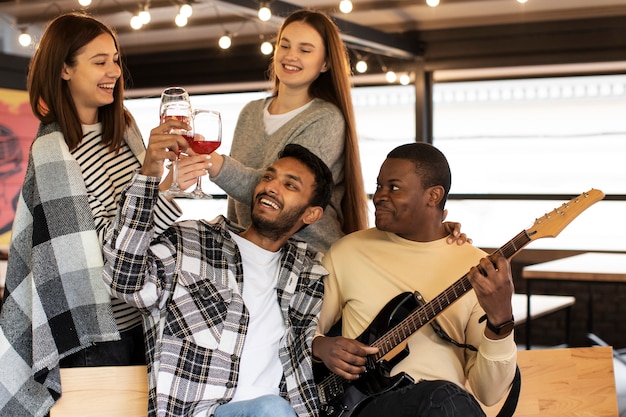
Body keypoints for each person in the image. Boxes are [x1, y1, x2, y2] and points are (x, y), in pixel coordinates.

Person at [0, 12, 206, 417]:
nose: (114, 70)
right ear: (64, 69)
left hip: (143, 317)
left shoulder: (124, 129)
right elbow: (99, 250)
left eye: (114, 59)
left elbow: (138, 227)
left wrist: (169, 184)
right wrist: (151, 176)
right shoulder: (53, 155)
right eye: (99, 62)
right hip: (93, 332)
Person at [103, 144, 334, 417]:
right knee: (271, 409)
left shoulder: (308, 272)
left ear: (312, 214)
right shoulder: (190, 241)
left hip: (282, 410)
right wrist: (151, 175)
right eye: (269, 177)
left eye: (290, 185)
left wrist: (319, 344)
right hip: (202, 412)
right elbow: (122, 279)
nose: (271, 187)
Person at [313, 143, 517, 417]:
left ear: (433, 196)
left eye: (394, 188)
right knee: (442, 396)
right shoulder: (348, 252)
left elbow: (489, 394)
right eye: (379, 186)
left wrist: (501, 319)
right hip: (362, 406)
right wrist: (321, 346)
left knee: (442, 397)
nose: (380, 197)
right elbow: (303, 327)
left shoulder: (476, 272)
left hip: (446, 408)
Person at [207, 9, 368, 253]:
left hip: (306, 258)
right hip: (254, 256)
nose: (291, 56)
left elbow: (281, 193)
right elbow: (236, 200)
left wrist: (215, 165)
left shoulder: (326, 119)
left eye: (304, 50)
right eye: (284, 46)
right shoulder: (250, 112)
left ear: (325, 63)